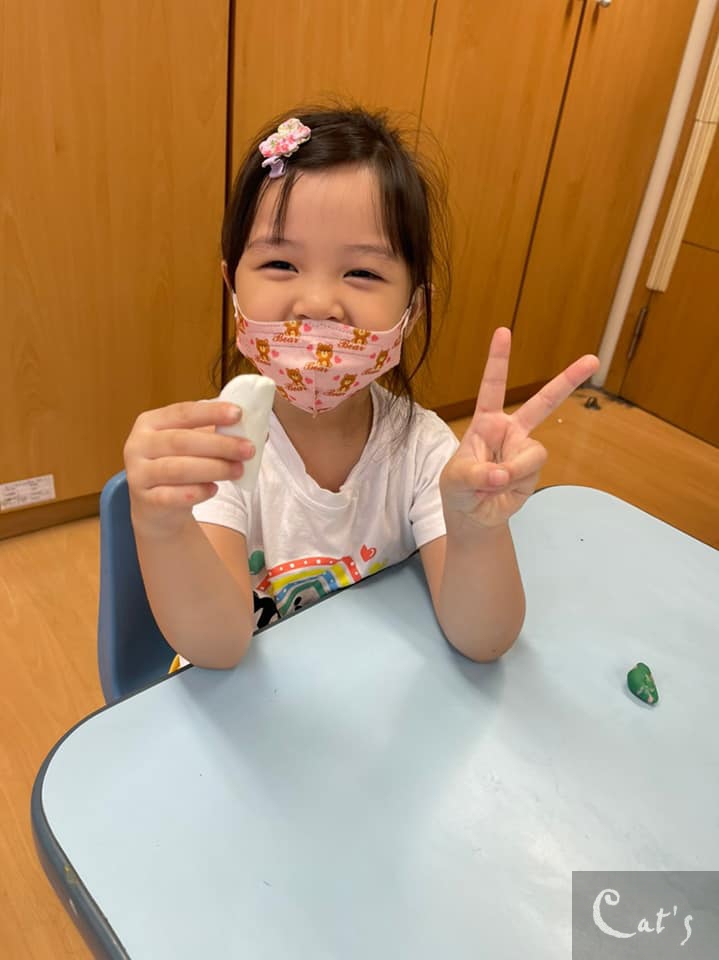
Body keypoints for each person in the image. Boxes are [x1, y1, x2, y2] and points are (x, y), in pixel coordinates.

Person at [123, 106, 599, 671]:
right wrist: (160, 527)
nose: (318, 303)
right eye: (280, 263)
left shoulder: (423, 450)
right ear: (231, 287)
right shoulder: (217, 449)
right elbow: (218, 648)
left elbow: (485, 640)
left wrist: (475, 532)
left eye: (363, 273)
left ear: (412, 308)